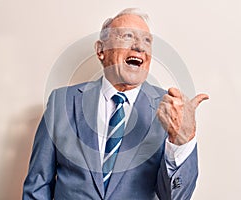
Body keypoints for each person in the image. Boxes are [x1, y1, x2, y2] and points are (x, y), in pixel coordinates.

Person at [23, 8, 209, 200]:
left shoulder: (170, 110)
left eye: (147, 41)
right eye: (128, 36)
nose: (140, 47)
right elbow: (37, 185)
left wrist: (181, 142)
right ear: (101, 50)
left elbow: (175, 196)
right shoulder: (61, 103)